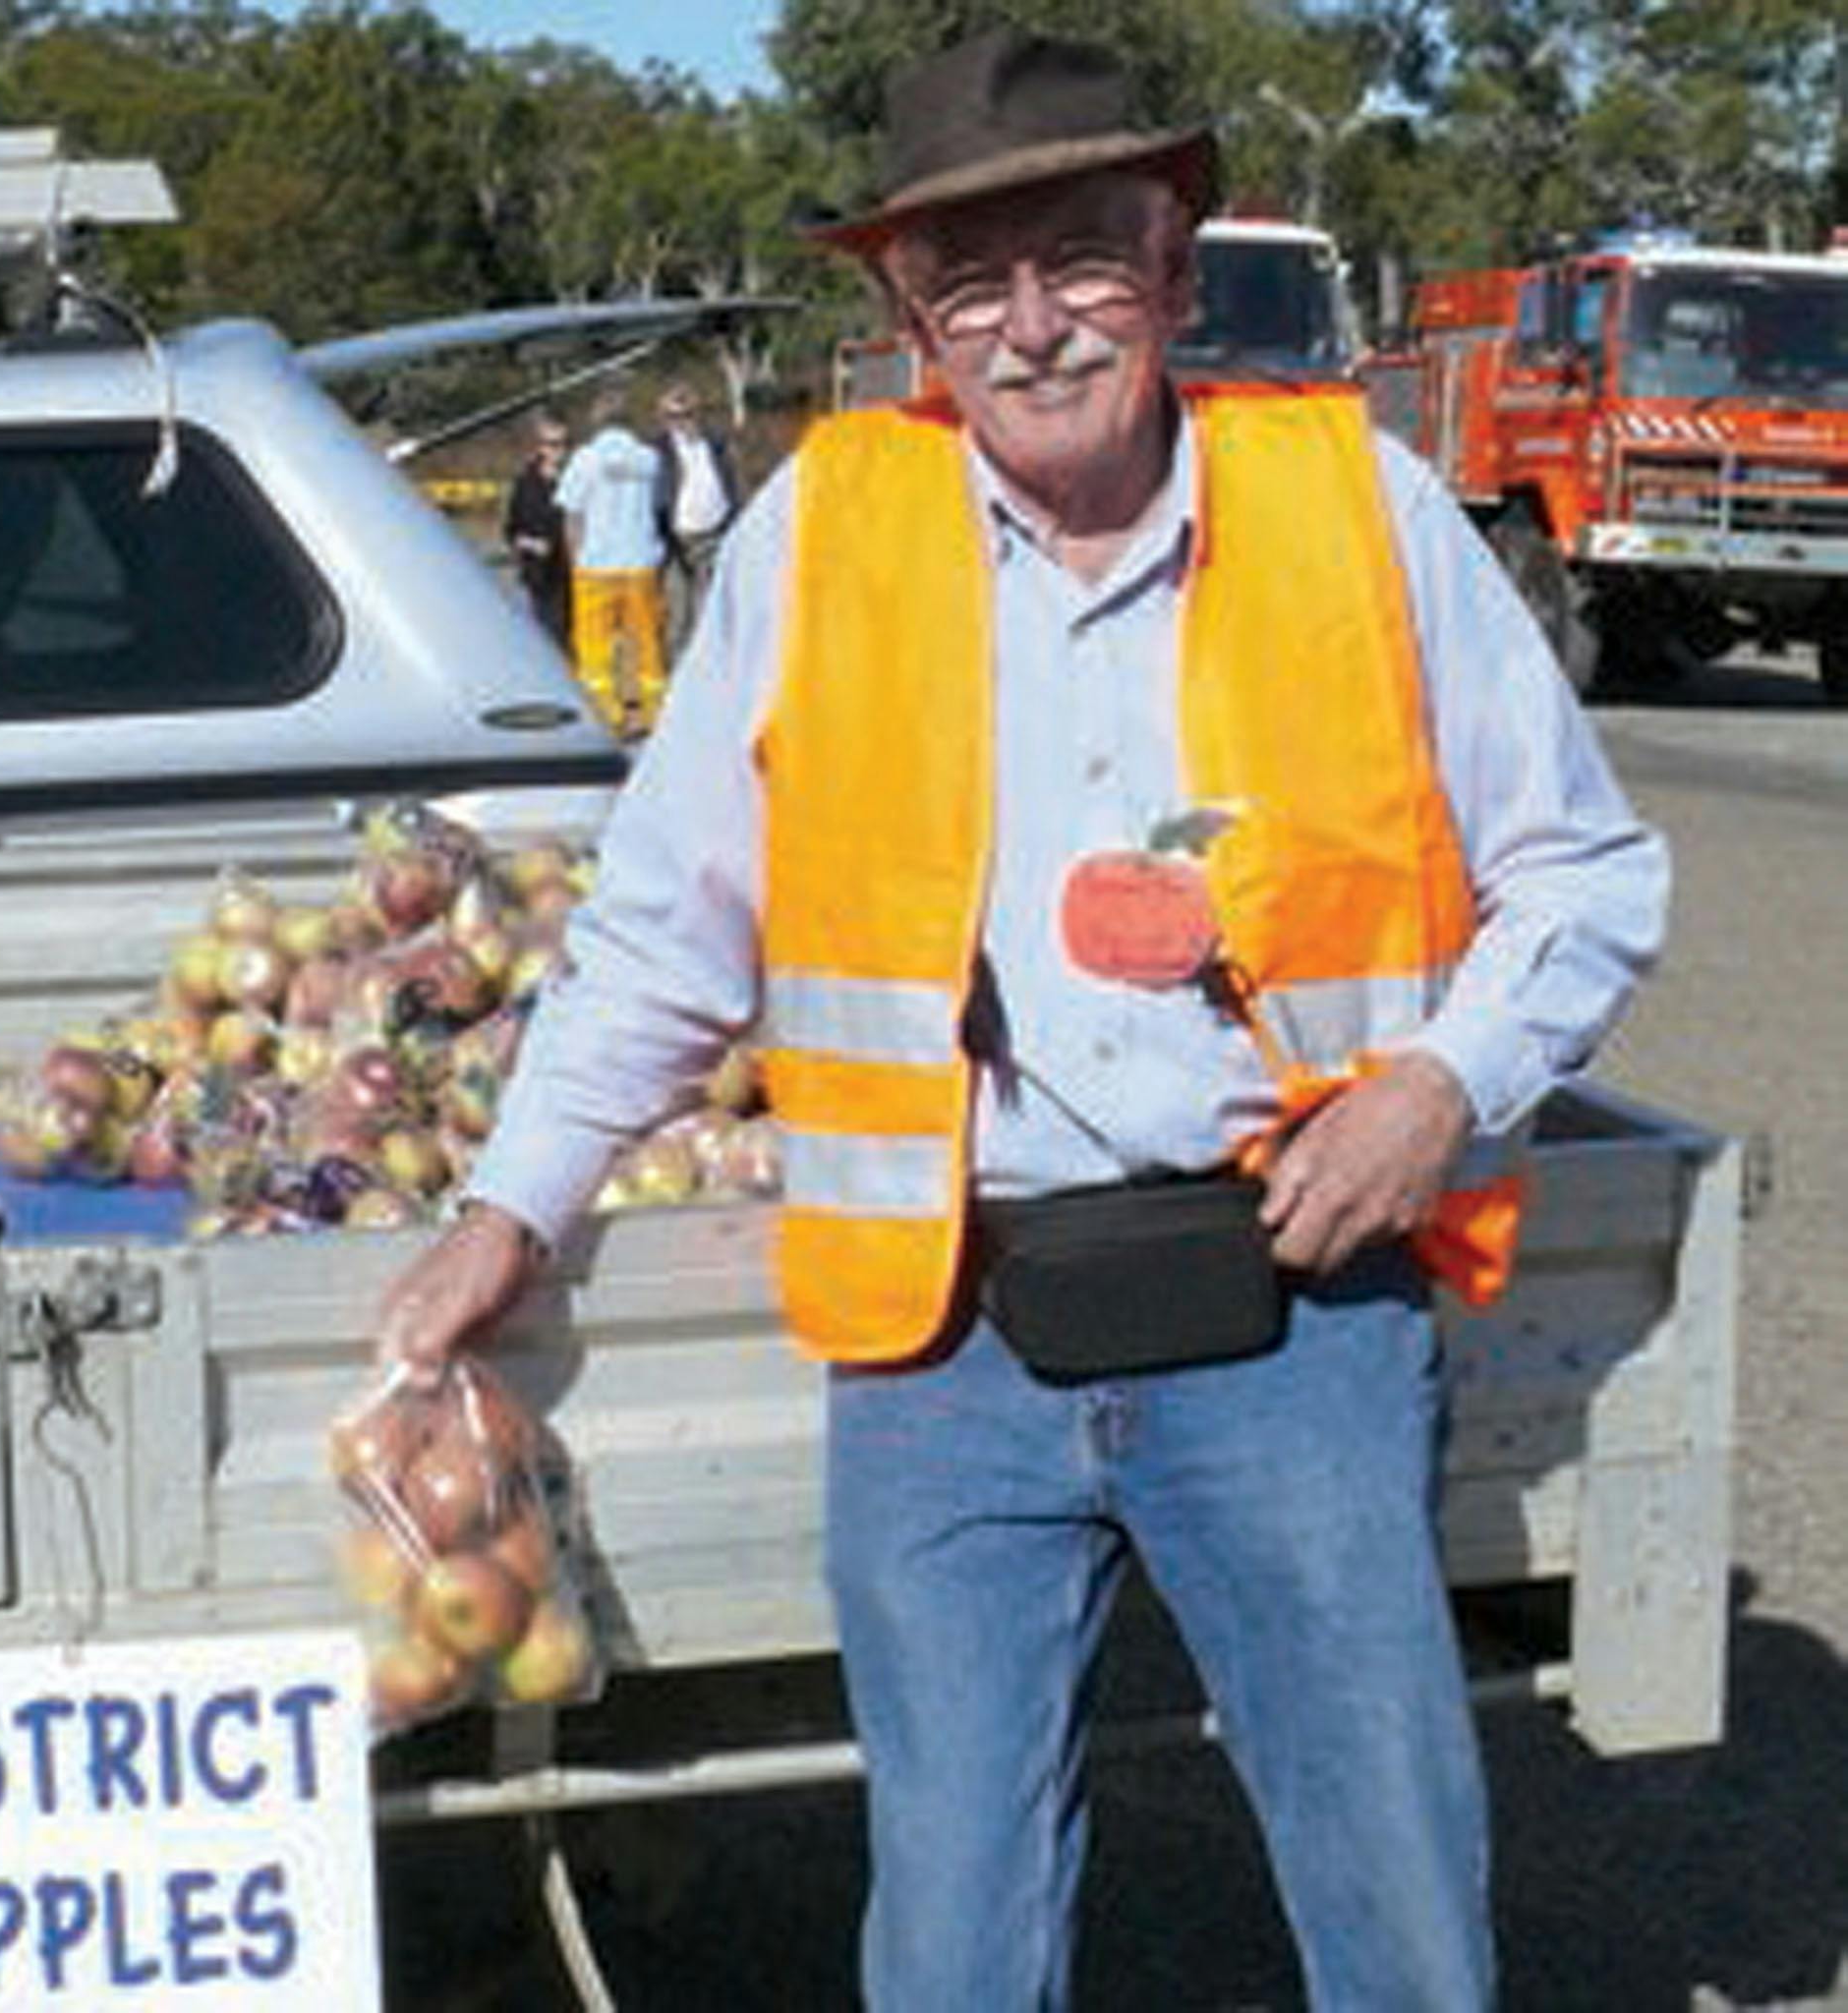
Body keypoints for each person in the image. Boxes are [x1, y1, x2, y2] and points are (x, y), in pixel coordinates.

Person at [375, 28, 1668, 2011]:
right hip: (943, 1345)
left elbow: (1586, 874)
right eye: (971, 281)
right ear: (908, 310)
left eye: (1080, 259)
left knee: (1395, 1894)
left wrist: (1435, 1086)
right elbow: (663, 936)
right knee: (956, 1932)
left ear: (1169, 261)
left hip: (1296, 1324)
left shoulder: (1358, 504)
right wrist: (507, 1207)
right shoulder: (821, 539)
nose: (1033, 325)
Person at [553, 383, 666, 737]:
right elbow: (659, 505)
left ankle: (608, 716)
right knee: (645, 642)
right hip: (640, 562)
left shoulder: (584, 459)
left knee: (594, 648)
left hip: (597, 563)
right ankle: (651, 714)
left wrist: (574, 561)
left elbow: (572, 515)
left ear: (596, 420)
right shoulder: (649, 458)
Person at [650, 378, 740, 655]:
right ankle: (676, 675)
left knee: (710, 612)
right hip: (676, 541)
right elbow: (655, 498)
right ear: (664, 419)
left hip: (715, 534)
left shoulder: (715, 444)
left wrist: (734, 520)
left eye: (688, 414)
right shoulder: (657, 450)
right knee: (678, 614)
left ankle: (709, 671)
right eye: (674, 416)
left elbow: (733, 482)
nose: (683, 421)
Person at [501, 409, 573, 650]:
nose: (558, 450)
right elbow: (511, 529)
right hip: (538, 576)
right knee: (544, 641)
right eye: (552, 444)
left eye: (564, 444)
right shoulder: (525, 483)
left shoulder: (577, 478)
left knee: (568, 640)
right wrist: (530, 543)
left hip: (572, 574)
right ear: (540, 446)